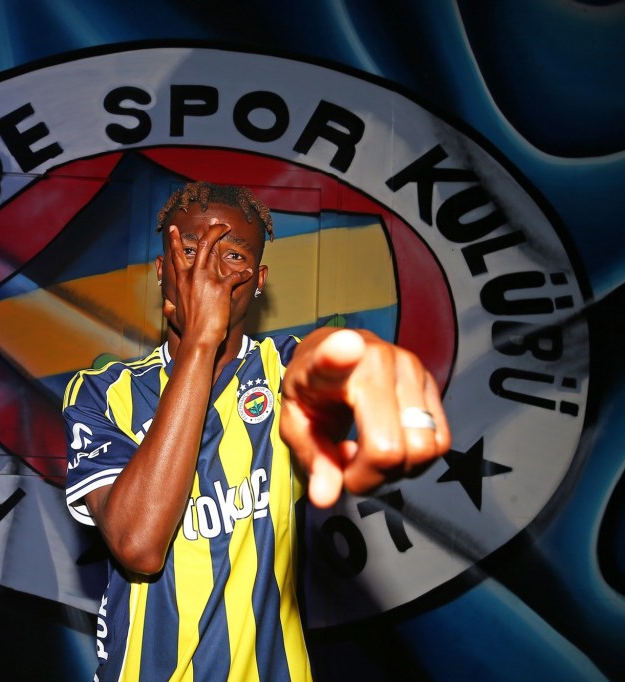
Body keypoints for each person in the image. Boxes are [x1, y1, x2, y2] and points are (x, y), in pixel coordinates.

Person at [63, 182, 450, 681]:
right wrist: (201, 342)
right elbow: (139, 545)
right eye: (189, 252)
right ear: (161, 270)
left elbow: (320, 360)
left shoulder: (282, 370)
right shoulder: (102, 392)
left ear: (259, 279)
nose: (208, 274)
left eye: (232, 256)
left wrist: (359, 353)